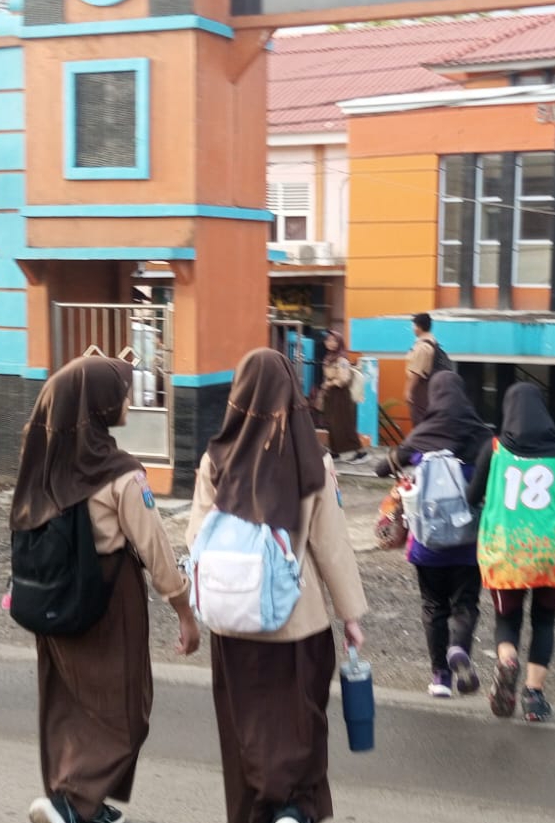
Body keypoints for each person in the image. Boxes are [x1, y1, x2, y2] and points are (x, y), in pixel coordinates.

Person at [11, 355, 200, 823]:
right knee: (126, 710)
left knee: (67, 700)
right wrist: (183, 609)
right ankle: (74, 803)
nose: (128, 400)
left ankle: (75, 797)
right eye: (121, 393)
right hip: (109, 599)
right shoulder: (120, 474)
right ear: (97, 405)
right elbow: (154, 548)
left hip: (50, 598)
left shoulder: (39, 462)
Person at [187, 348, 367, 823]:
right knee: (299, 721)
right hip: (297, 621)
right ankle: (292, 807)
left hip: (232, 622)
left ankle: (256, 812)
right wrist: (350, 616)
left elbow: (195, 537)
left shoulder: (215, 460)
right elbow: (331, 546)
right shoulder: (313, 460)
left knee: (243, 726)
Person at [374, 370, 492, 698]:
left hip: (428, 542)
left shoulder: (423, 435)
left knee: (433, 606)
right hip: (469, 541)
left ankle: (440, 677)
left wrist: (402, 465)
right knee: (465, 603)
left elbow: (382, 468)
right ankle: (459, 648)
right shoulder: (482, 437)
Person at [467, 383, 555, 723]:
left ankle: (507, 659)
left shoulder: (494, 449)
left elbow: (472, 496)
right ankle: (534, 696)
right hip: (550, 551)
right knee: (544, 621)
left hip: (506, 551)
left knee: (508, 620)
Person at [318, 330, 366, 463]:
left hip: (341, 395)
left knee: (344, 424)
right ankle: (335, 451)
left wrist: (329, 383)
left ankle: (360, 453)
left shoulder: (342, 359)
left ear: (339, 342)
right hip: (331, 395)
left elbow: (344, 379)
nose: (330, 343)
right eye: (328, 340)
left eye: (334, 340)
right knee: (332, 424)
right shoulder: (329, 357)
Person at [404, 312, 439, 426]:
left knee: (420, 421)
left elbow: (416, 372)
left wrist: (408, 391)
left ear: (419, 327)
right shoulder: (433, 341)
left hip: (421, 388)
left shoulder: (422, 347)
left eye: (414, 326)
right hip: (430, 387)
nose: (413, 329)